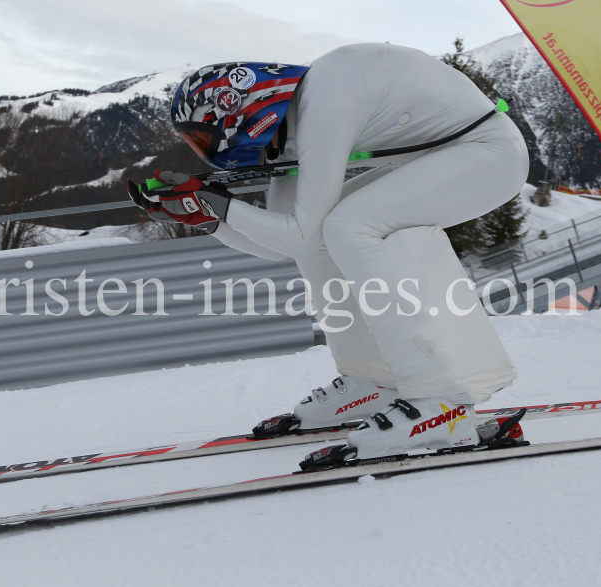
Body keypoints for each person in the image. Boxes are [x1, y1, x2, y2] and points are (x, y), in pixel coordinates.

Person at [128, 43, 529, 463]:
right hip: (444, 156)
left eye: (201, 138)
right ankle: (372, 381)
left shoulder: (324, 103)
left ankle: (439, 401)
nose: (203, 151)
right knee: (329, 231)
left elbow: (295, 235)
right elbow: (287, 243)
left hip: (489, 153)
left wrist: (221, 205)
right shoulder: (291, 129)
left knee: (350, 225)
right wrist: (211, 218)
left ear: (235, 110)